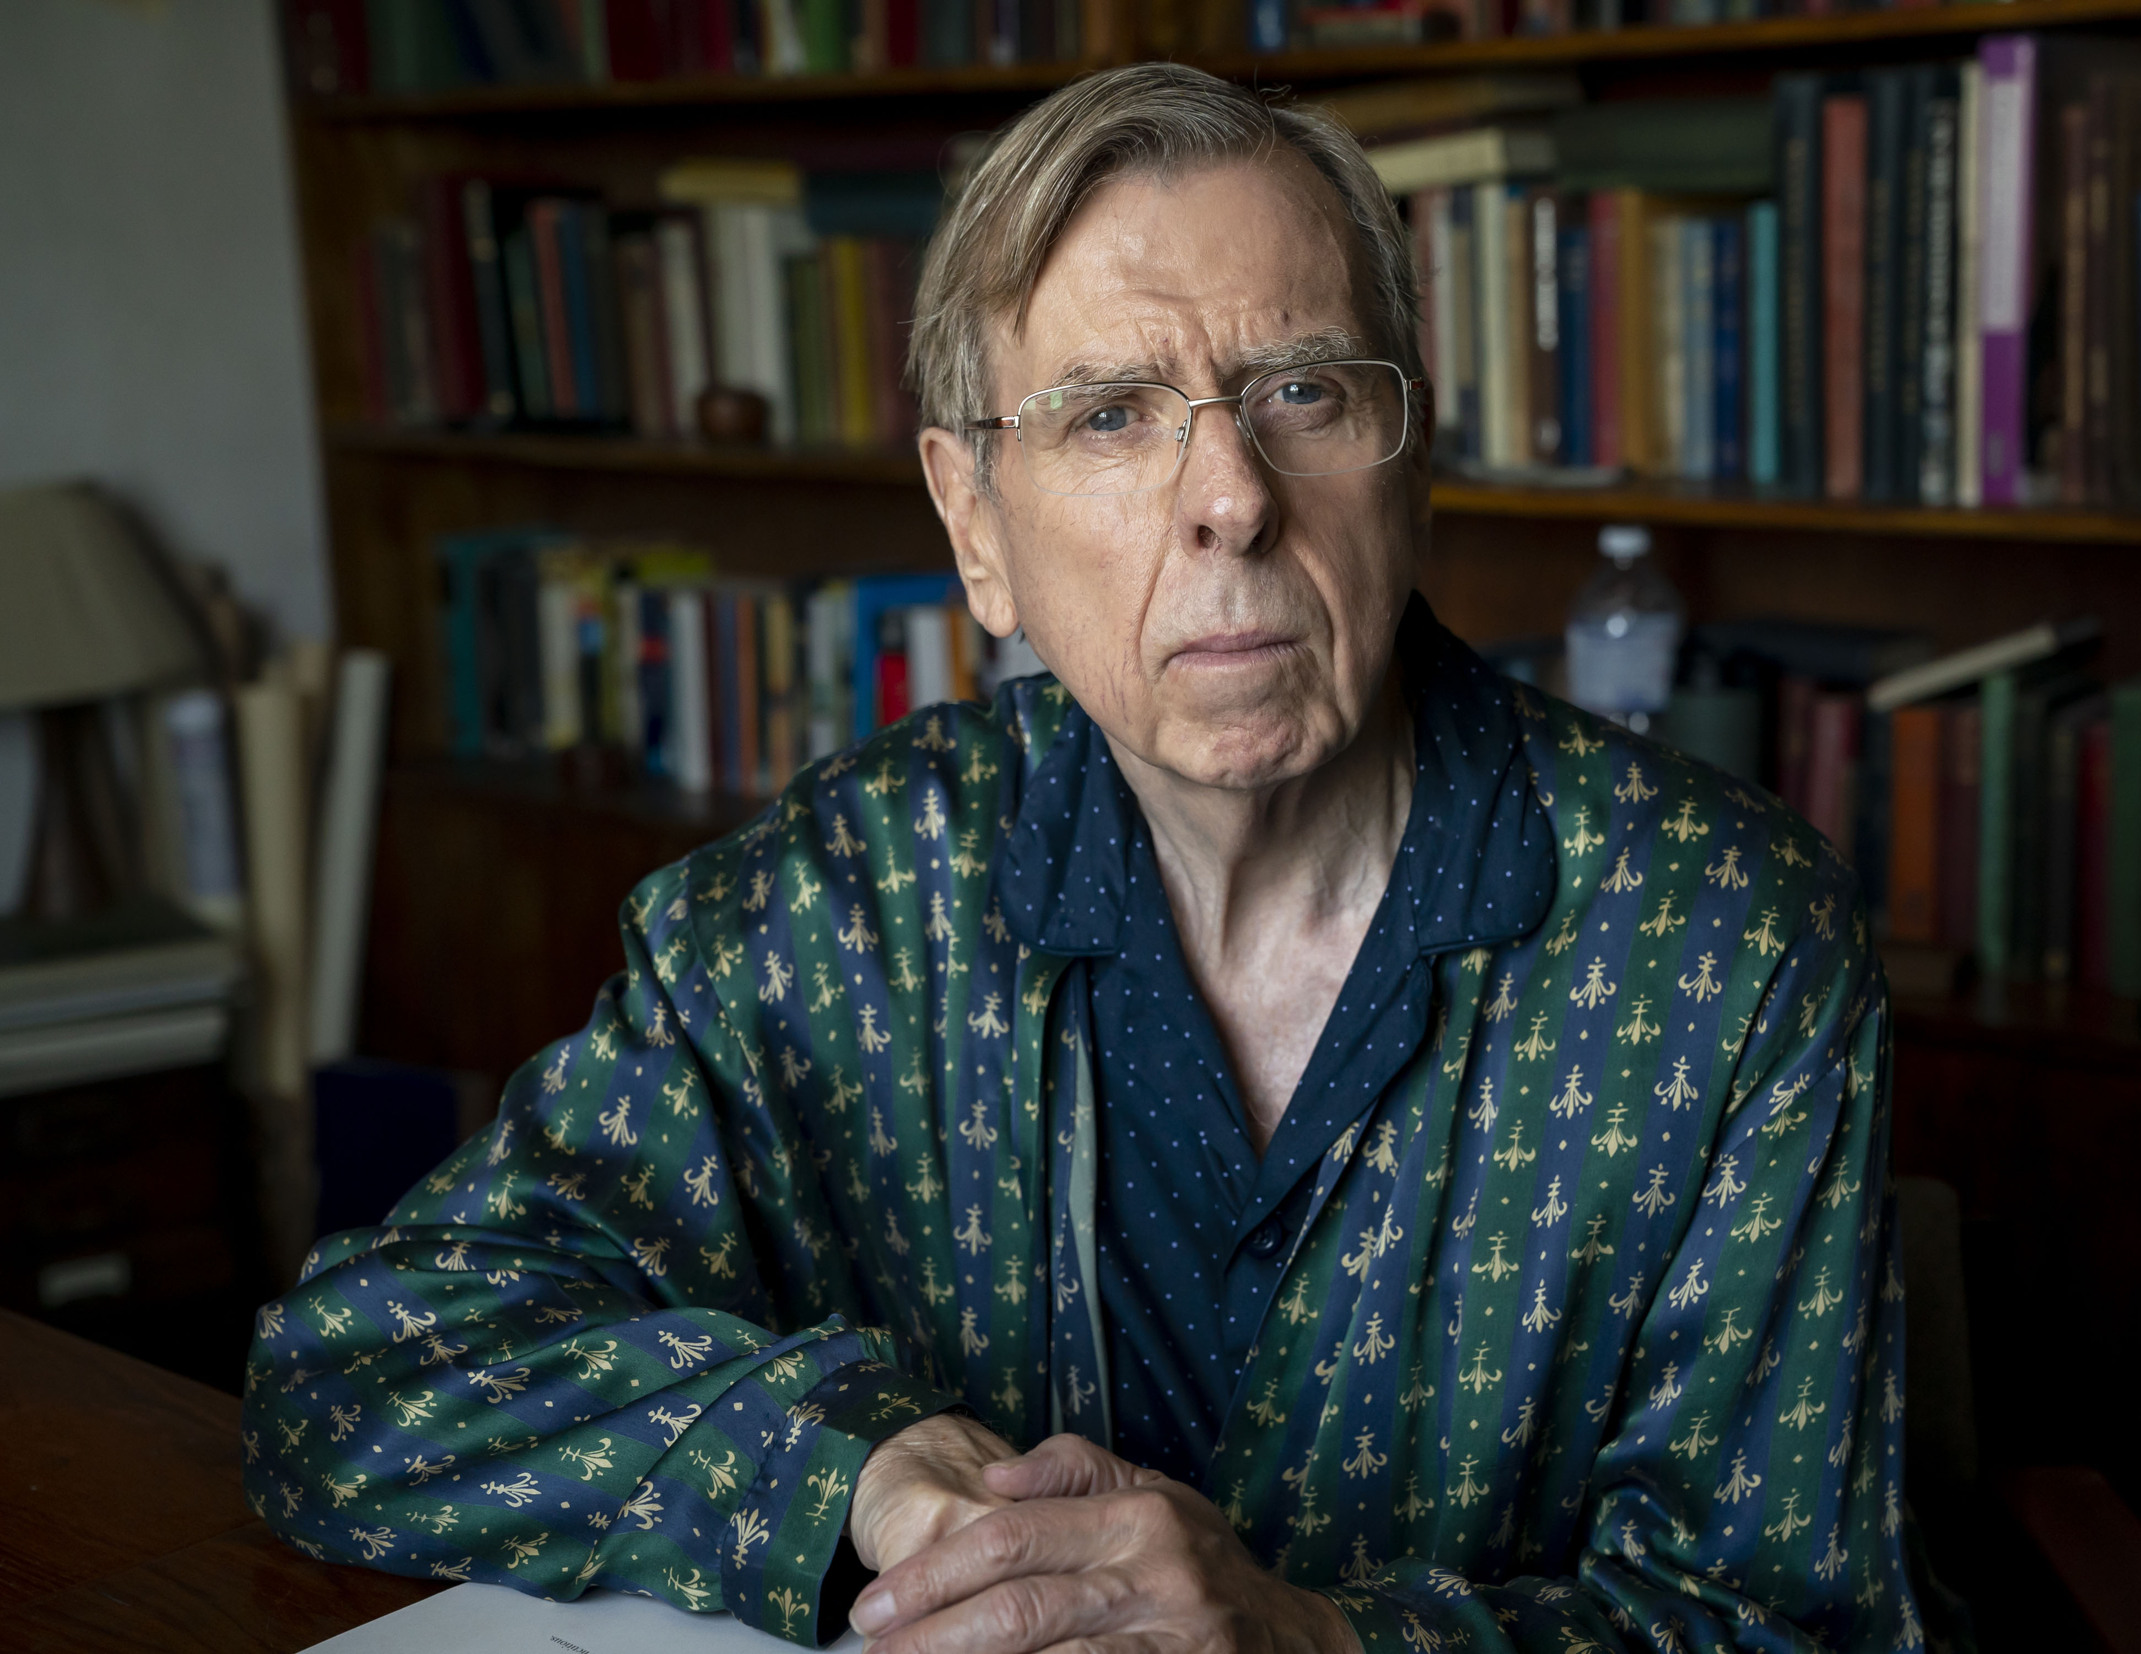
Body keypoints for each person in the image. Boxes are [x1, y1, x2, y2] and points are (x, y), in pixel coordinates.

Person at [243, 62, 1922, 1652]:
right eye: (1114, 414)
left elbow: (1793, 1622)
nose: (1232, 501)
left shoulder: (1727, 939)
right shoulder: (838, 900)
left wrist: (1322, 1635)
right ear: (976, 527)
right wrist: (860, 1471)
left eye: (1305, 391)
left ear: (1412, 458)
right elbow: (356, 1372)